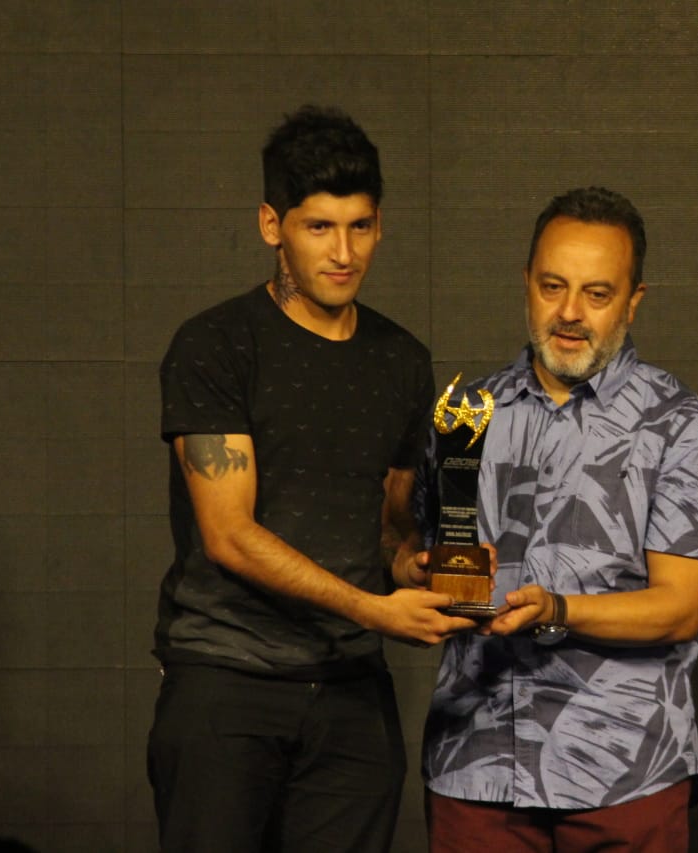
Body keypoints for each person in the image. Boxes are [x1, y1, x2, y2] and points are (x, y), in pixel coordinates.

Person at [148, 105, 480, 853]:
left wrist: (417, 568)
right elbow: (229, 534)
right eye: (319, 227)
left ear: (380, 225)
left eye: (360, 226)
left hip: (350, 694)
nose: (343, 251)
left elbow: (387, 527)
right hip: (226, 680)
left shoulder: (402, 360)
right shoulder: (216, 345)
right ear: (273, 225)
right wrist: (376, 609)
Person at [403, 186, 698, 852]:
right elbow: (417, 553)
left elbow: (681, 608)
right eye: (553, 286)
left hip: (626, 774)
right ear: (526, 282)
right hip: (475, 764)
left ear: (634, 300)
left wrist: (558, 608)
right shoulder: (464, 416)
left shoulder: (683, 428)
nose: (569, 312)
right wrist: (415, 572)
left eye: (597, 293)